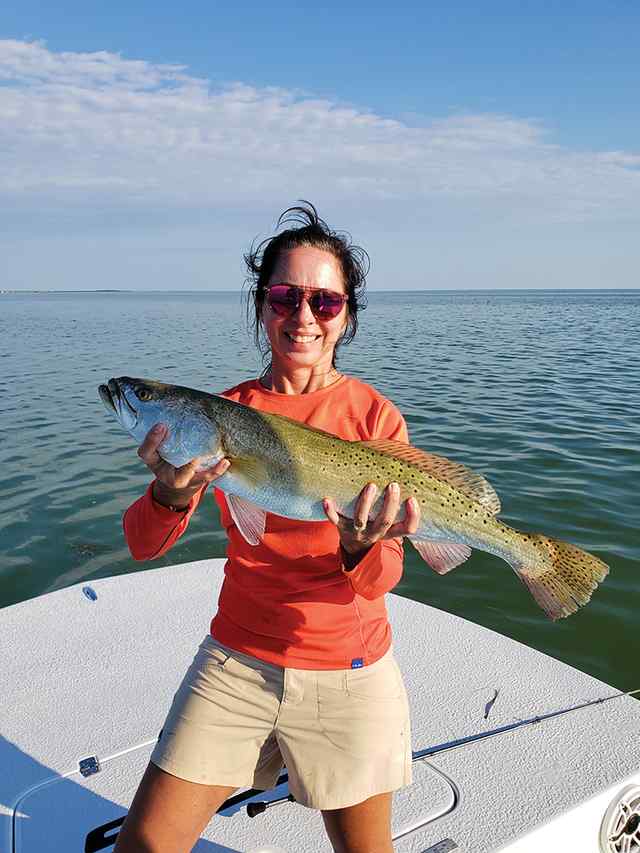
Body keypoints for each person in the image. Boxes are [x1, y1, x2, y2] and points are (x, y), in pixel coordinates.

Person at [114, 203, 420, 853]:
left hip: (348, 666)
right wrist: (170, 494)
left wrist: (359, 544)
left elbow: (383, 577)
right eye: (284, 296)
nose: (302, 316)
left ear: (346, 314)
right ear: (261, 307)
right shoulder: (225, 413)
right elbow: (143, 543)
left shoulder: (375, 417)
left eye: (324, 301)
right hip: (237, 656)